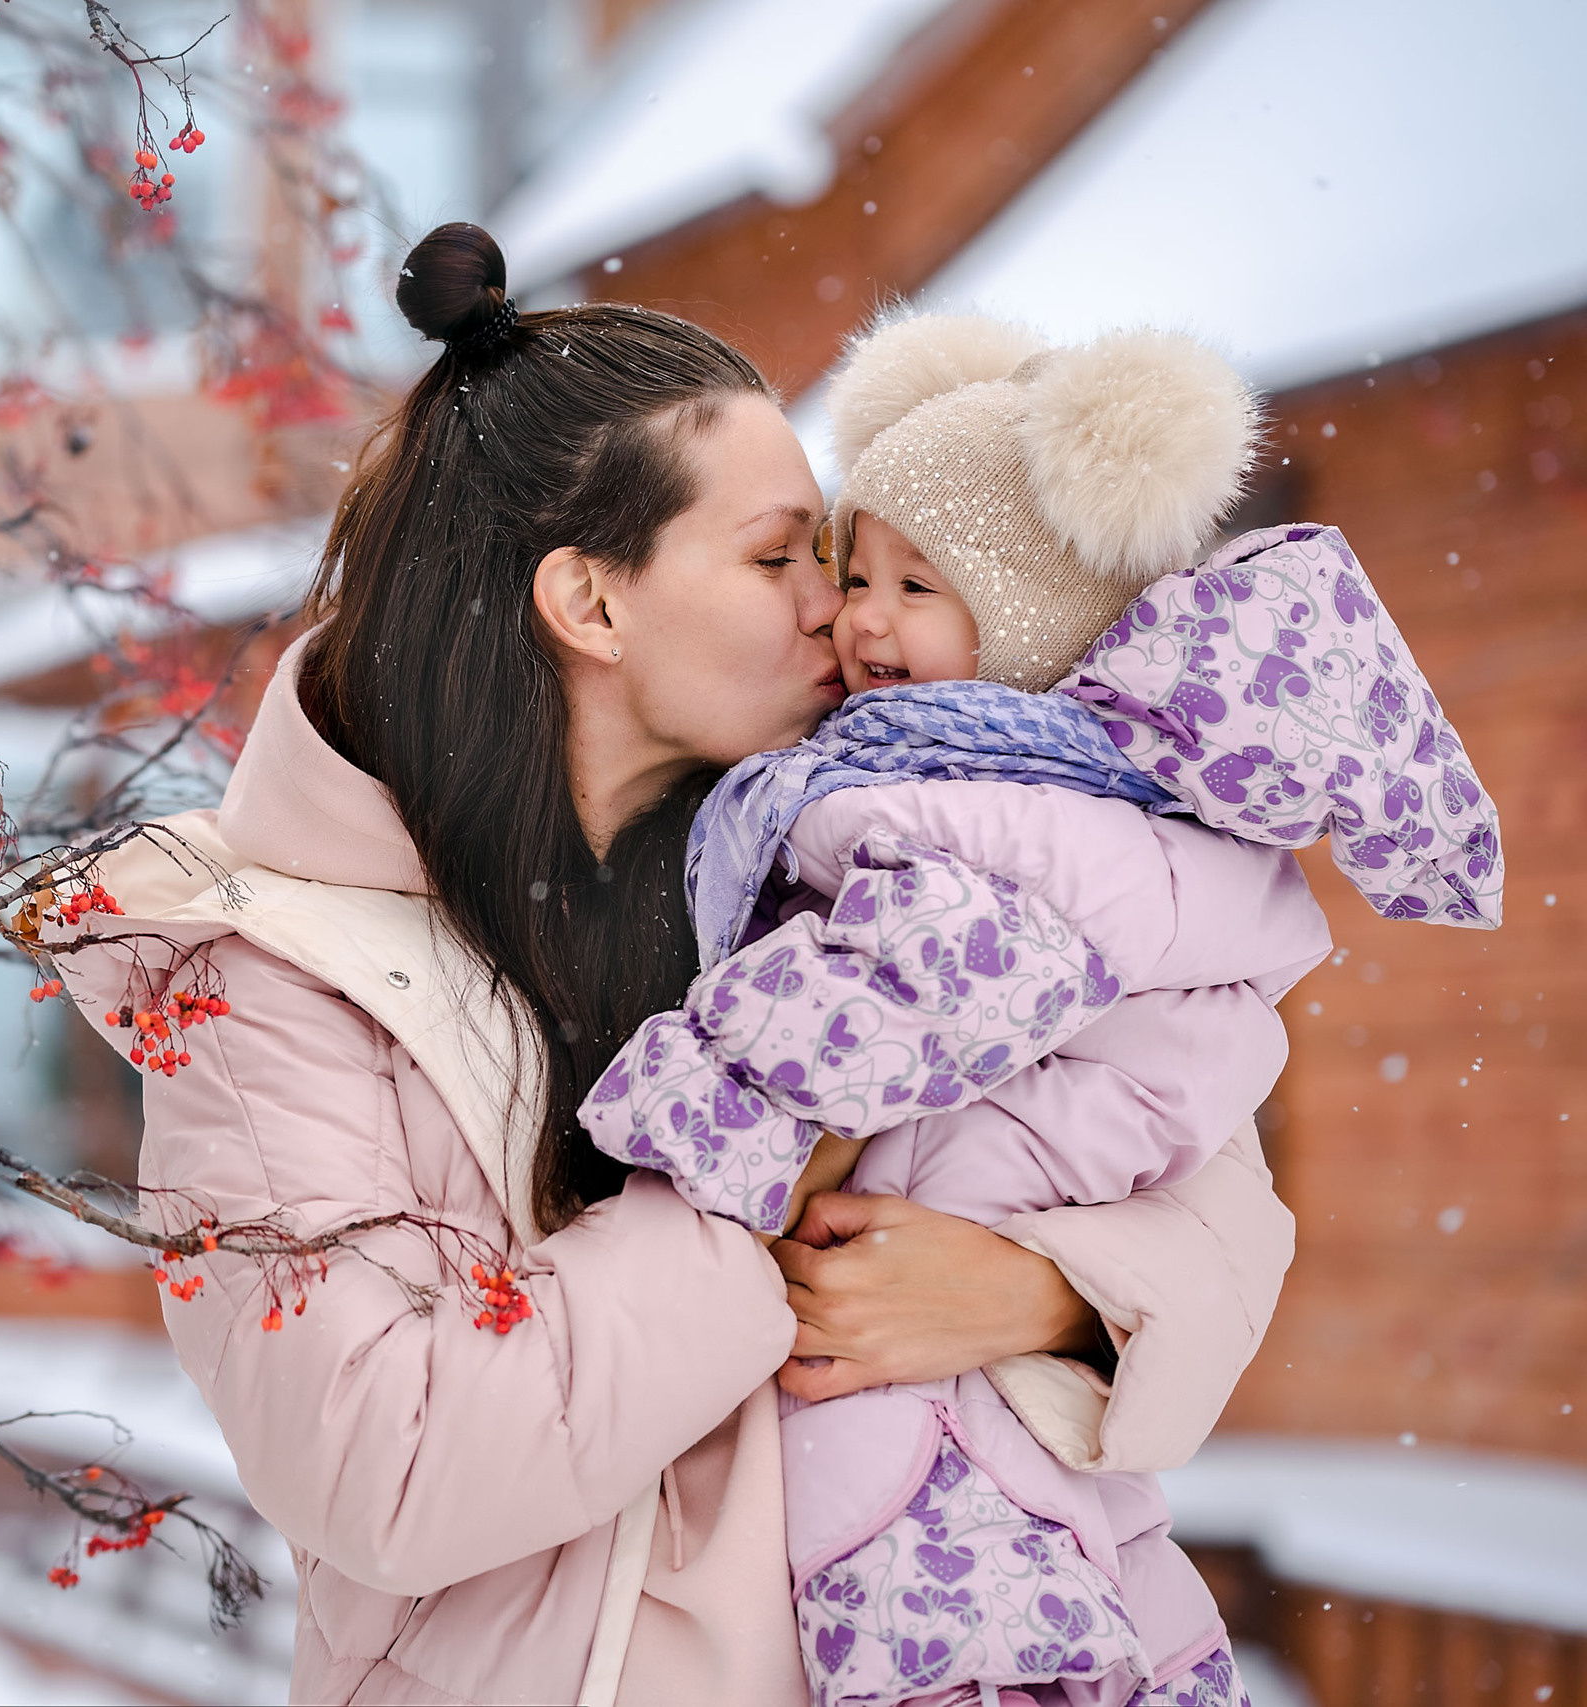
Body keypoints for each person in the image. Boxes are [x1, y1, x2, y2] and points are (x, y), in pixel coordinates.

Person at [52, 227, 1297, 1706]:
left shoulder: (846, 866)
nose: (837, 608)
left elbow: (1227, 1218)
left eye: (828, 556)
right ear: (591, 604)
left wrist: (1044, 1295)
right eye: (777, 558)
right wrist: (763, 1195)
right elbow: (388, 1470)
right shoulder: (273, 984)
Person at [580, 313, 1502, 1705]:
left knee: (968, 1612)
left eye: (916, 585)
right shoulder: (986, 790)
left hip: (931, 1384)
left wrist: (681, 1124)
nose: (858, 618)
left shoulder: (1001, 814)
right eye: (849, 572)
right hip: (924, 1352)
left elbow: (901, 991)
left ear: (1022, 619)